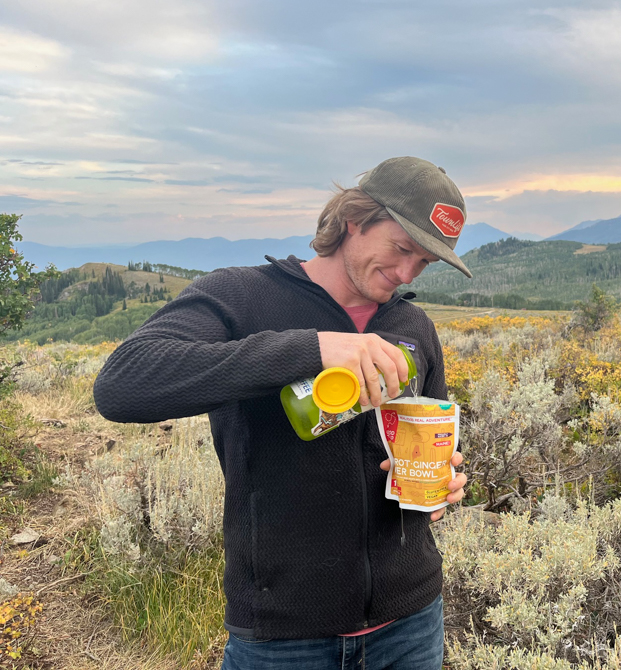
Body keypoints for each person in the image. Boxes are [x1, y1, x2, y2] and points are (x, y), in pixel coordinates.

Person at [93, 156, 471, 670]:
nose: (406, 272)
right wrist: (309, 349)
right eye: (402, 248)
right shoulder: (243, 297)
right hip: (284, 637)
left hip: (411, 621)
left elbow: (427, 437)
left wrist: (439, 483)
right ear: (354, 220)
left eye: (424, 262)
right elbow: (123, 385)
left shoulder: (413, 326)